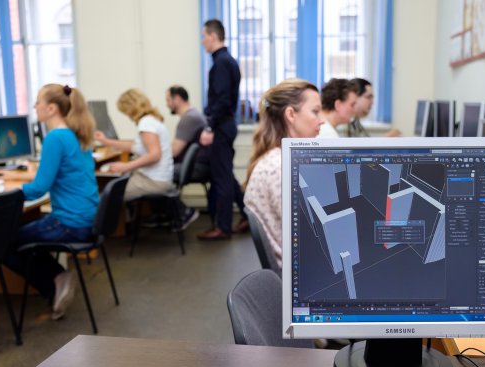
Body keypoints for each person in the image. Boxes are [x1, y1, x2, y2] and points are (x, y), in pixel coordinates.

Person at [0, 84, 99, 320]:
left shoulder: (55, 137)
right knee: (17, 236)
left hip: (69, 224)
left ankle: (55, 281)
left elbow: (38, 189)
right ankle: (57, 279)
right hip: (87, 220)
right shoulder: (74, 134)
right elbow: (60, 173)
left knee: (2, 243)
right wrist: (15, 176)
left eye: (37, 102)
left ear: (51, 108)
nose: (35, 106)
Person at [244, 79, 323, 267]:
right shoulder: (281, 169)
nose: (322, 120)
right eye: (315, 111)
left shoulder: (279, 159)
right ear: (291, 114)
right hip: (300, 272)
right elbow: (314, 237)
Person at [95, 89, 198, 229]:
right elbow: (135, 146)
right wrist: (107, 141)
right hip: (158, 178)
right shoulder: (151, 120)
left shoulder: (146, 123)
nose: (126, 115)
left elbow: (154, 155)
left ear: (131, 108)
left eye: (125, 111)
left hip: (153, 181)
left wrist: (126, 166)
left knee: (108, 194)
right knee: (115, 185)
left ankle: (98, 232)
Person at [198, 19, 248, 240]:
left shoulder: (221, 63)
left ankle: (223, 227)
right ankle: (247, 215)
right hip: (226, 124)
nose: (202, 42)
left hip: (221, 125)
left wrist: (210, 126)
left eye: (204, 36)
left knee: (221, 178)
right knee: (226, 174)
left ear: (213, 36)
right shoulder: (227, 61)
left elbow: (222, 100)